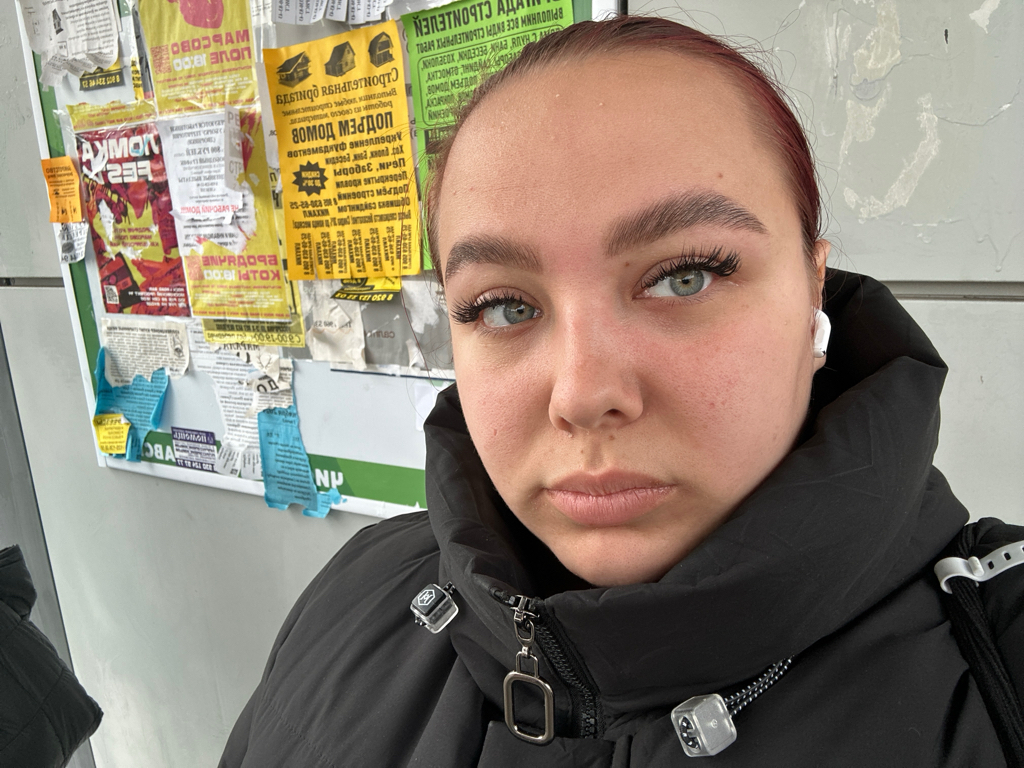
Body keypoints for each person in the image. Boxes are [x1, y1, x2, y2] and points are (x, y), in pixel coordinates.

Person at [220, 16, 1024, 767]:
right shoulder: (360, 591)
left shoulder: (1001, 664)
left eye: (684, 276)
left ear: (812, 289)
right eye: (504, 306)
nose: (581, 395)